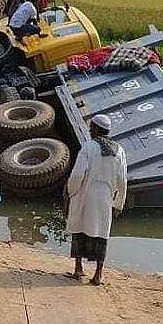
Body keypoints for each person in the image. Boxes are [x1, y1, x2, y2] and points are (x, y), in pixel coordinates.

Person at [64, 114, 128, 286]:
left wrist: (70, 191)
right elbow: (122, 179)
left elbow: (78, 174)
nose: (89, 130)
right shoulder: (119, 151)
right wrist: (119, 203)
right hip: (105, 199)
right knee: (101, 234)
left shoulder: (89, 147)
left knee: (79, 228)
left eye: (91, 127)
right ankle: (98, 274)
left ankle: (78, 268)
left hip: (85, 195)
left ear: (97, 129)